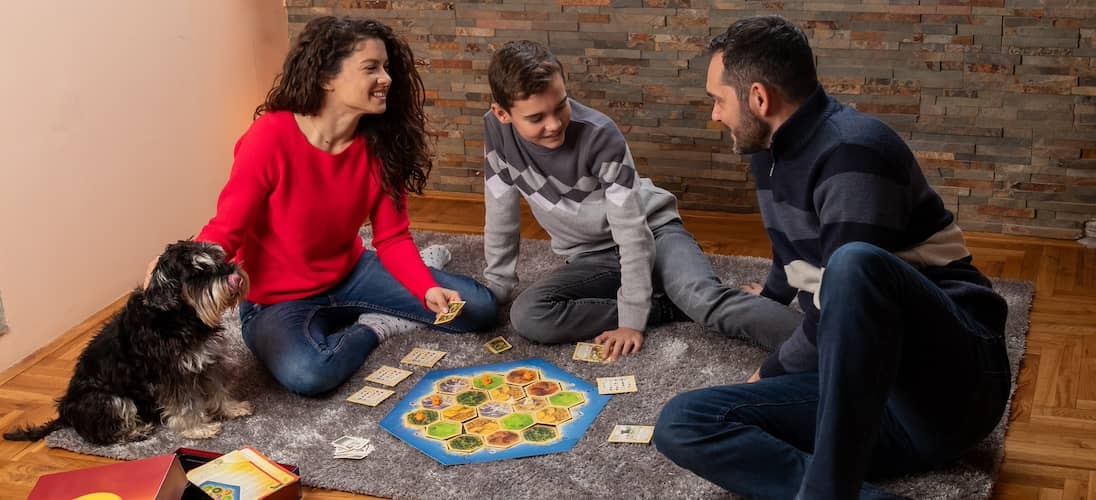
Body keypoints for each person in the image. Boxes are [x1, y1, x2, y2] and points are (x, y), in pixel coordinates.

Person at [653, 15, 1012, 499]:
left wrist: (776, 368)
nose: (714, 115)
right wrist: (776, 292)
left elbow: (840, 291)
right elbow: (794, 247)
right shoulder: (768, 150)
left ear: (759, 98)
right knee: (684, 421)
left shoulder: (855, 151)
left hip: (949, 391)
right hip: (868, 406)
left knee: (853, 265)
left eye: (718, 100)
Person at [157, 16, 499, 396]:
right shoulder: (270, 137)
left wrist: (423, 287)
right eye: (371, 68)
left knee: (481, 308)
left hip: (352, 273)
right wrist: (180, 269)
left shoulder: (382, 146)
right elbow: (228, 229)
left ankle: (412, 281)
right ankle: (377, 324)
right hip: (276, 302)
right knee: (310, 374)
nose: (386, 78)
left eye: (386, 67)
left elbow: (392, 237)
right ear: (326, 78)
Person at [482, 40, 800, 362]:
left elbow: (632, 231)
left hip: (654, 231)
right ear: (502, 114)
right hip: (593, 257)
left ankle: (829, 342)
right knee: (528, 315)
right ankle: (665, 306)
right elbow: (500, 214)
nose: (553, 125)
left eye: (560, 106)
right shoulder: (496, 134)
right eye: (536, 118)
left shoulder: (599, 135)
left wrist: (631, 321)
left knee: (703, 301)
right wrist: (496, 286)